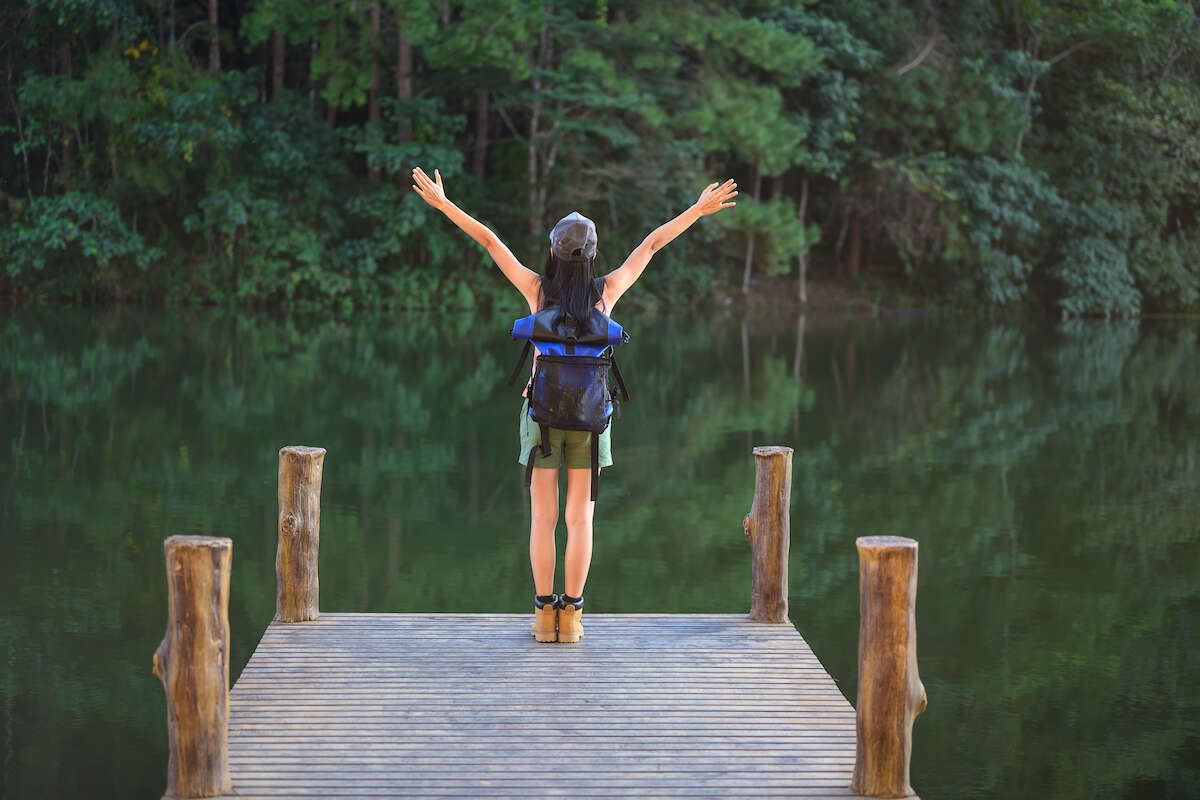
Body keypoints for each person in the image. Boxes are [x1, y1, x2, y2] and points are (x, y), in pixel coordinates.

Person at [409, 166, 737, 642]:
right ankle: (574, 617)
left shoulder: (536, 291)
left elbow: (489, 241)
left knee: (543, 519)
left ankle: (545, 618)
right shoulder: (607, 294)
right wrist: (698, 209)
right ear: (594, 254)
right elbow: (650, 245)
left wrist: (443, 204)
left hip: (540, 417)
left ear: (552, 251)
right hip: (590, 420)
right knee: (580, 518)